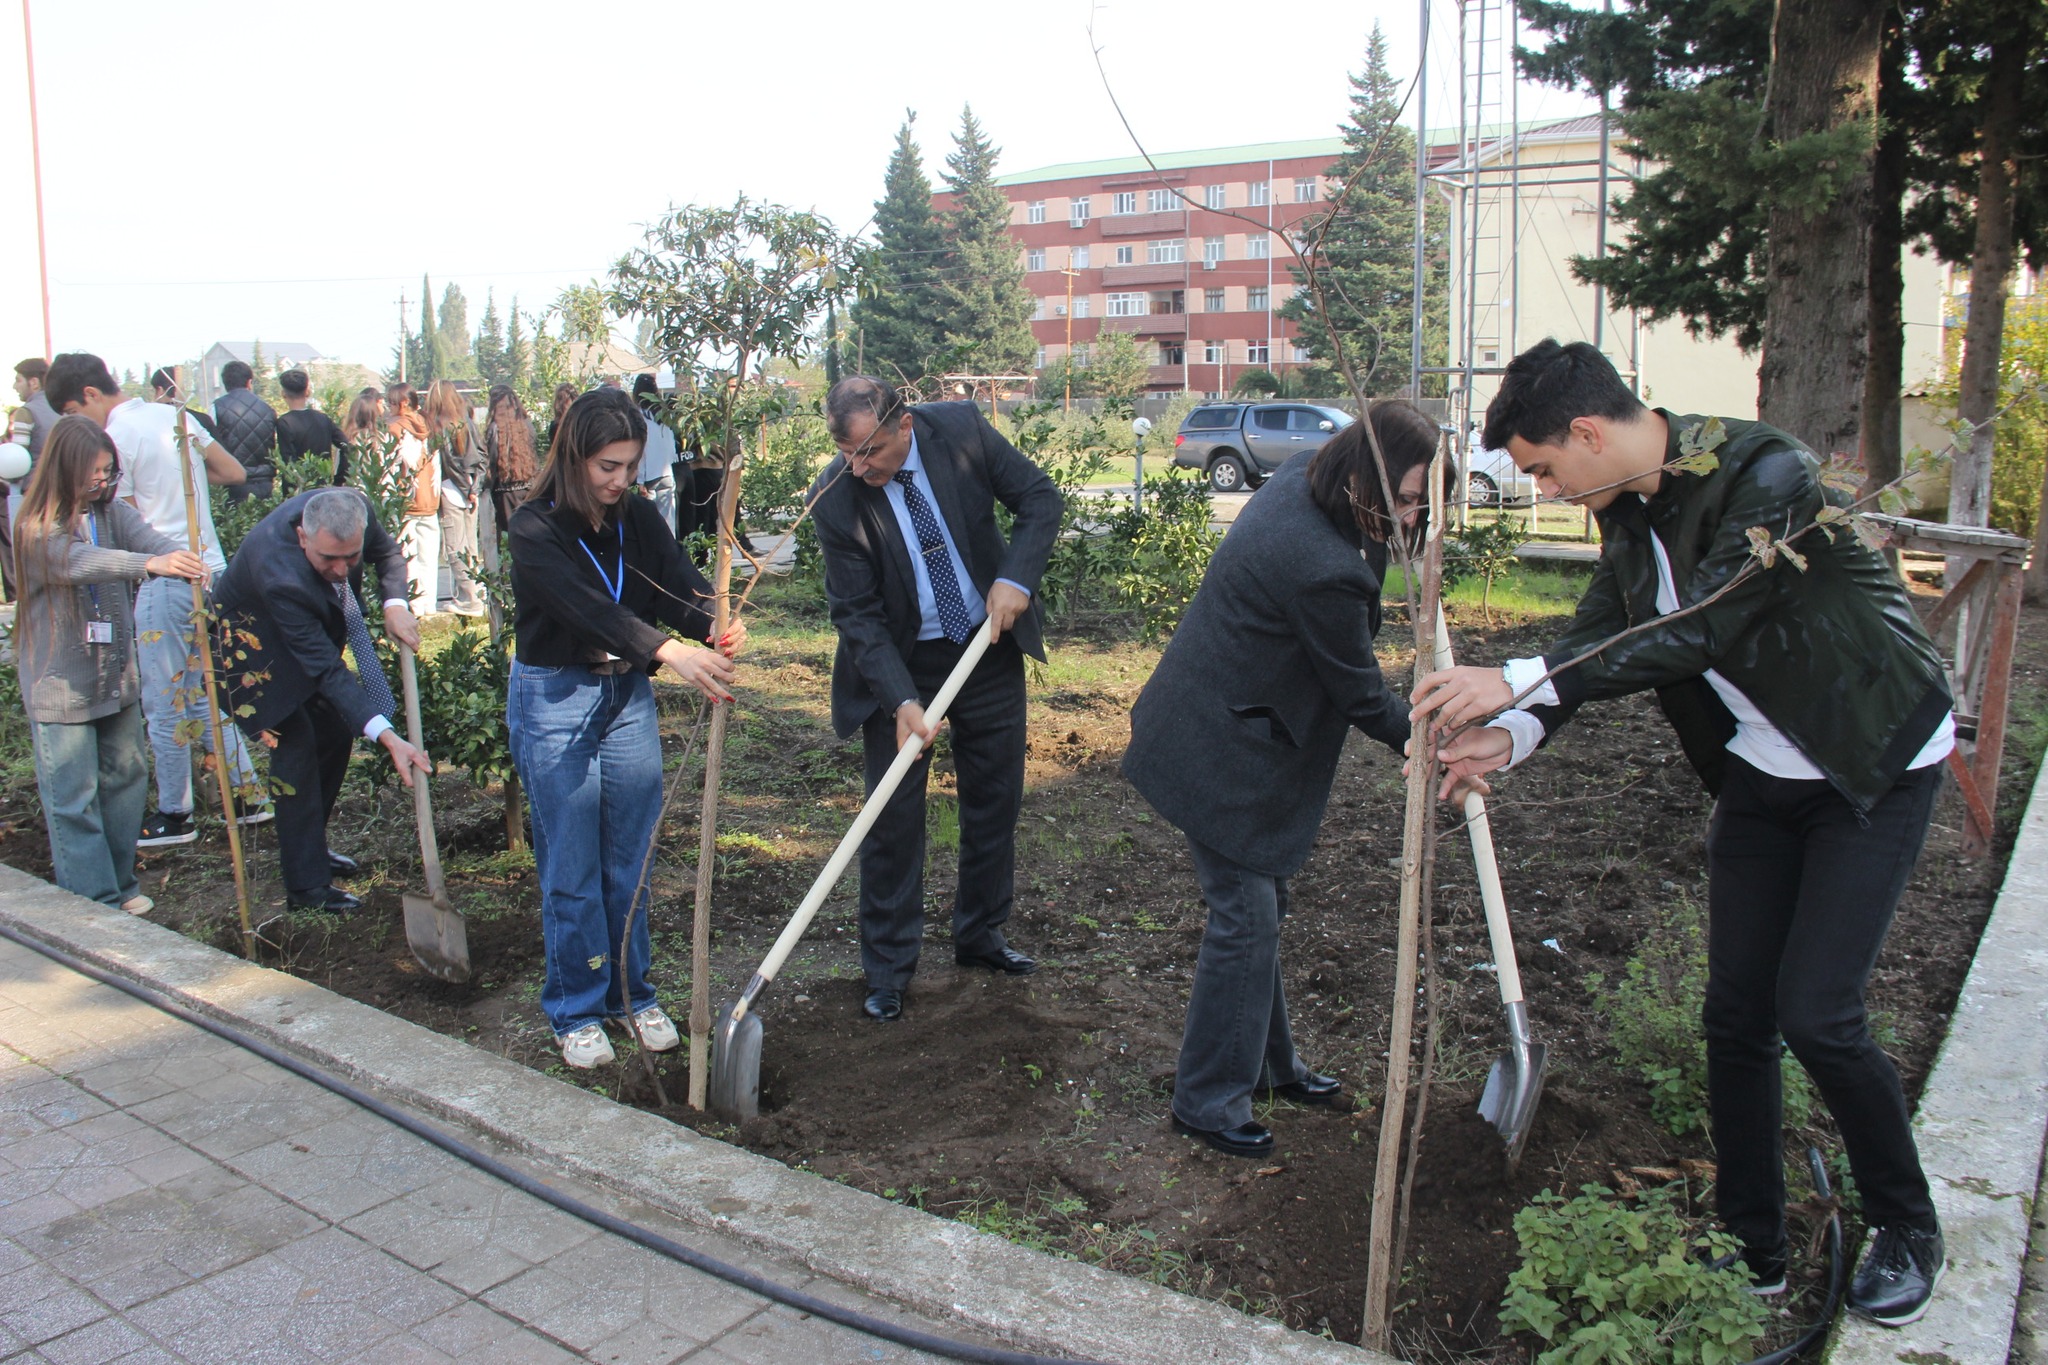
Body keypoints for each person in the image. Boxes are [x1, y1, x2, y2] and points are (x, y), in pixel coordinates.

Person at [1409, 339, 1955, 1327]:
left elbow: (1707, 624)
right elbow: (1590, 640)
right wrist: (1510, 732)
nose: (1550, 489)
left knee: (1818, 1013)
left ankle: (1906, 1224)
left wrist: (1519, 676)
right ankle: (1752, 1242)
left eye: (1541, 469)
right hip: (1760, 773)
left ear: (1584, 432)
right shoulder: (1623, 517)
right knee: (1734, 1014)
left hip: (1868, 759)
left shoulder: (1765, 472)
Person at [1122, 403, 1438, 1158]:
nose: (1413, 513)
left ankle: (1268, 1065)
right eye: (1404, 497)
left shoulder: (1309, 474)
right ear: (1363, 474)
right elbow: (1361, 695)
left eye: (1424, 499)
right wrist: (1438, 736)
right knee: (1246, 915)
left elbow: (1368, 569)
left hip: (1230, 716)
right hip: (1217, 748)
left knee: (1258, 907)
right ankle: (1206, 1099)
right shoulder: (1318, 565)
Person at [810, 376, 1063, 1022]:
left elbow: (1040, 498)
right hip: (899, 660)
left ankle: (980, 935)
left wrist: (1015, 577)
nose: (858, 467)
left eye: (869, 452)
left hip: (986, 643)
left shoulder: (960, 432)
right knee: (891, 818)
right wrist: (899, 699)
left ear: (905, 424)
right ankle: (889, 967)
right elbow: (857, 614)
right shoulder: (836, 497)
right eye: (847, 454)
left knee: (994, 799)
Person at [506, 389, 745, 1069]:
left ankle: (630, 995)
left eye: (631, 465)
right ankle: (575, 1007)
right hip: (556, 695)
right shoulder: (534, 528)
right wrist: (670, 650)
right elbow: (584, 608)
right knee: (571, 863)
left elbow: (675, 583)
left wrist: (714, 618)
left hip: (626, 694)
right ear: (574, 455)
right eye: (608, 466)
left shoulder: (636, 515)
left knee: (629, 859)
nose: (620, 480)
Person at [47, 352, 268, 848]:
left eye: (70, 413)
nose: (73, 429)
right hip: (210, 566)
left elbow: (122, 528)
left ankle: (176, 812)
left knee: (164, 697)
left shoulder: (117, 437)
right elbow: (232, 472)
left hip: (163, 573)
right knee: (205, 686)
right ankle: (250, 794)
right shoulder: (175, 414)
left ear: (88, 396)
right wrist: (180, 484)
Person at [12, 416, 207, 913]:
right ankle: (93, 901)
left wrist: (178, 557)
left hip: (115, 675)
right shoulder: (34, 529)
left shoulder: (112, 513)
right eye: (94, 473)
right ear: (64, 470)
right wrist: (146, 565)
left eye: (108, 470)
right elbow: (78, 563)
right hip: (60, 685)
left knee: (126, 780)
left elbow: (149, 540)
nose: (103, 481)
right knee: (73, 797)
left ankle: (120, 886)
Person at [213, 487, 431, 912]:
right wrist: (389, 739)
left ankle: (309, 843)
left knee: (333, 732)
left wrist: (394, 603)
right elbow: (324, 670)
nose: (341, 569)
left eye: (350, 558)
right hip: (247, 655)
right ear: (302, 538)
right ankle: (306, 888)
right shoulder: (280, 574)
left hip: (296, 640)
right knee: (295, 745)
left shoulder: (353, 509)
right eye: (328, 559)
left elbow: (387, 555)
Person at [425, 379, 491, 617]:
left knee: (455, 546)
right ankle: (475, 594)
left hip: (452, 490)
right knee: (470, 546)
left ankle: (468, 598)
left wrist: (465, 488)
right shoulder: (467, 422)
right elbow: (481, 455)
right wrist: (475, 487)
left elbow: (451, 463)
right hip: (471, 489)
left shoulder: (440, 427)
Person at [5, 358, 59, 597]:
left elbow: (16, 461)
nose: (15, 387)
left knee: (32, 559)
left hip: (35, 495)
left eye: (18, 380)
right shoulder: (61, 407)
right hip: (64, 492)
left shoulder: (26, 413)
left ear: (34, 382)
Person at [386, 382, 439, 616]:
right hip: (430, 500)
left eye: (391, 403)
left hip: (406, 501)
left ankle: (415, 605)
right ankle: (430, 603)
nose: (388, 408)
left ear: (403, 403)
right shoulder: (430, 427)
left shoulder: (395, 428)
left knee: (409, 557)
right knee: (429, 557)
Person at [212, 359, 277, 500]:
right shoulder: (267, 408)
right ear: (249, 382)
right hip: (265, 481)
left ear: (225, 384)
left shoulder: (216, 408)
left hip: (233, 480)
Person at [274, 369, 349, 482]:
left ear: (283, 393)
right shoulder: (323, 419)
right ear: (307, 392)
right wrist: (339, 478)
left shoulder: (284, 423)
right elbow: (346, 446)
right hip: (323, 484)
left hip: (298, 489)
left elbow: (288, 461)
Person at [484, 385, 538, 529]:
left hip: (505, 493)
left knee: (510, 537)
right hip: (529, 487)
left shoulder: (494, 428)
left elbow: (493, 460)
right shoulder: (527, 425)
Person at [631, 375, 678, 530]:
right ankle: (670, 552)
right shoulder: (663, 416)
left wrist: (640, 479)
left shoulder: (637, 418)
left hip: (649, 477)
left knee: (650, 526)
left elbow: (642, 450)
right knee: (668, 525)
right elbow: (671, 447)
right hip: (667, 473)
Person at [339, 388, 384, 484]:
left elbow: (340, 472)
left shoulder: (346, 439)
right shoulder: (381, 439)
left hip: (351, 491)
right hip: (376, 492)